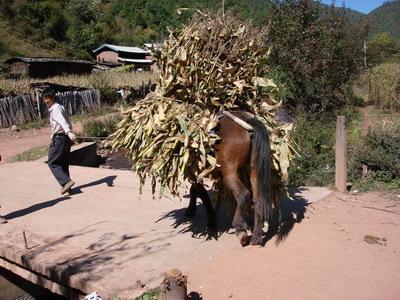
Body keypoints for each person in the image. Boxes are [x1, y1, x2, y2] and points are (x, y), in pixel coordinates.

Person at [43, 88, 76, 195]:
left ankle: (66, 182)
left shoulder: (55, 108)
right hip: (65, 138)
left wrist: (69, 132)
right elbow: (67, 120)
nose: (45, 101)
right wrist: (70, 135)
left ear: (52, 98)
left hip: (59, 138)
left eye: (47, 99)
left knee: (52, 162)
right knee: (63, 163)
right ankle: (68, 187)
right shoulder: (60, 106)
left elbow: (62, 122)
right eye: (44, 99)